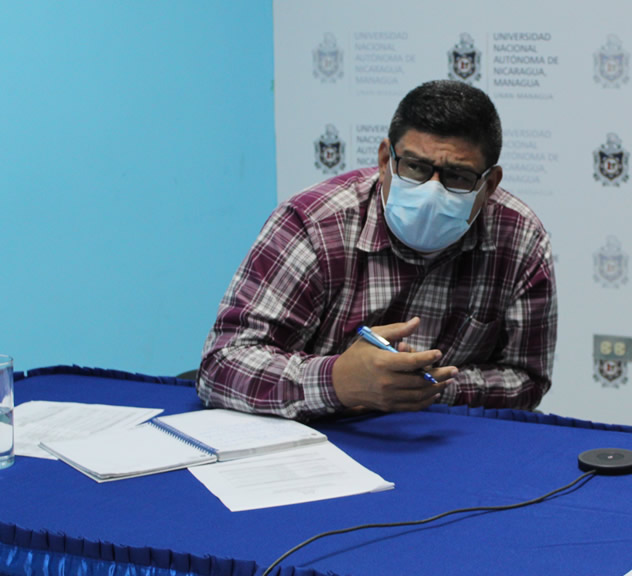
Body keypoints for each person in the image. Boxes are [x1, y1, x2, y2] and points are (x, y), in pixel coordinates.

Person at [198, 80, 557, 420]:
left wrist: (434, 384)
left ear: (490, 184)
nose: (432, 192)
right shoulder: (314, 224)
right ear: (386, 159)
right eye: (415, 167)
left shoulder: (520, 239)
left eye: (457, 177)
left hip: (442, 438)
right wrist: (339, 380)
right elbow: (222, 365)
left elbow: (526, 378)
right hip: (320, 434)